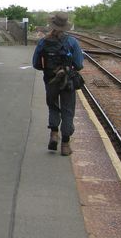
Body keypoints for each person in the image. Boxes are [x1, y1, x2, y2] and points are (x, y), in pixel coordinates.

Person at [32, 12, 84, 156]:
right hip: (67, 81)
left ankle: (54, 134)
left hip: (50, 80)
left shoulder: (43, 42)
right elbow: (79, 65)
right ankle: (65, 144)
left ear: (52, 24)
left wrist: (48, 70)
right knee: (68, 110)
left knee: (53, 106)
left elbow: (35, 64)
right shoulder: (72, 42)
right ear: (65, 25)